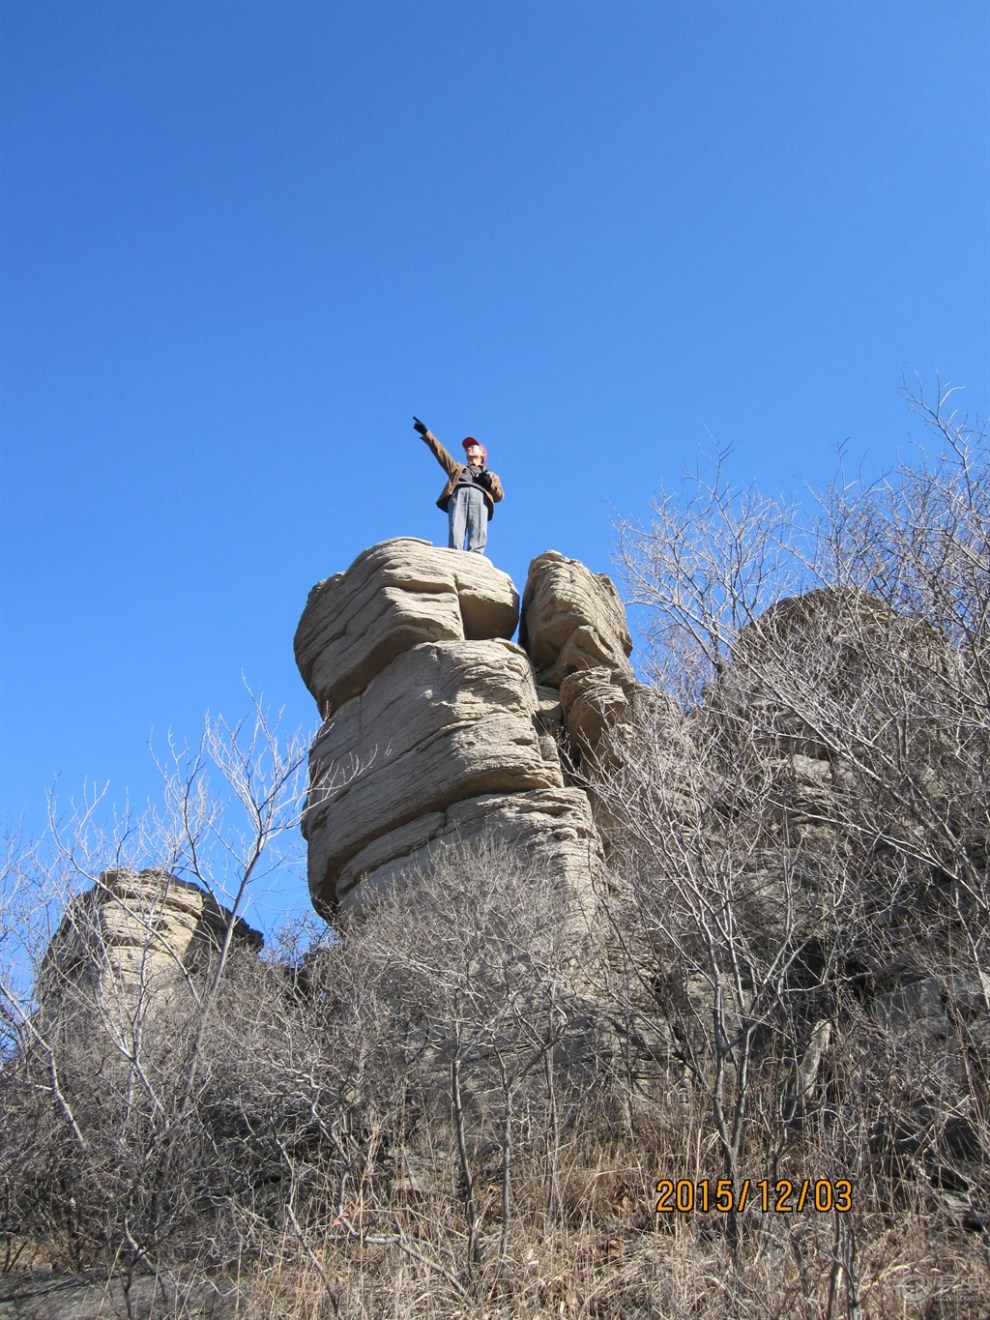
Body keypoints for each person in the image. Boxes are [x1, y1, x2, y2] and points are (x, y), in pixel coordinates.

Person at [413, 417, 504, 553]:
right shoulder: (458, 469)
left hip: (480, 497)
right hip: (459, 495)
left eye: (473, 447)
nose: (469, 449)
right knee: (456, 527)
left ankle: (476, 558)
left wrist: (488, 483)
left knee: (478, 530)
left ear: (482, 454)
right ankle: (455, 555)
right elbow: (442, 454)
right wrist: (426, 433)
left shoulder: (491, 475)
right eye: (467, 448)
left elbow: (499, 496)